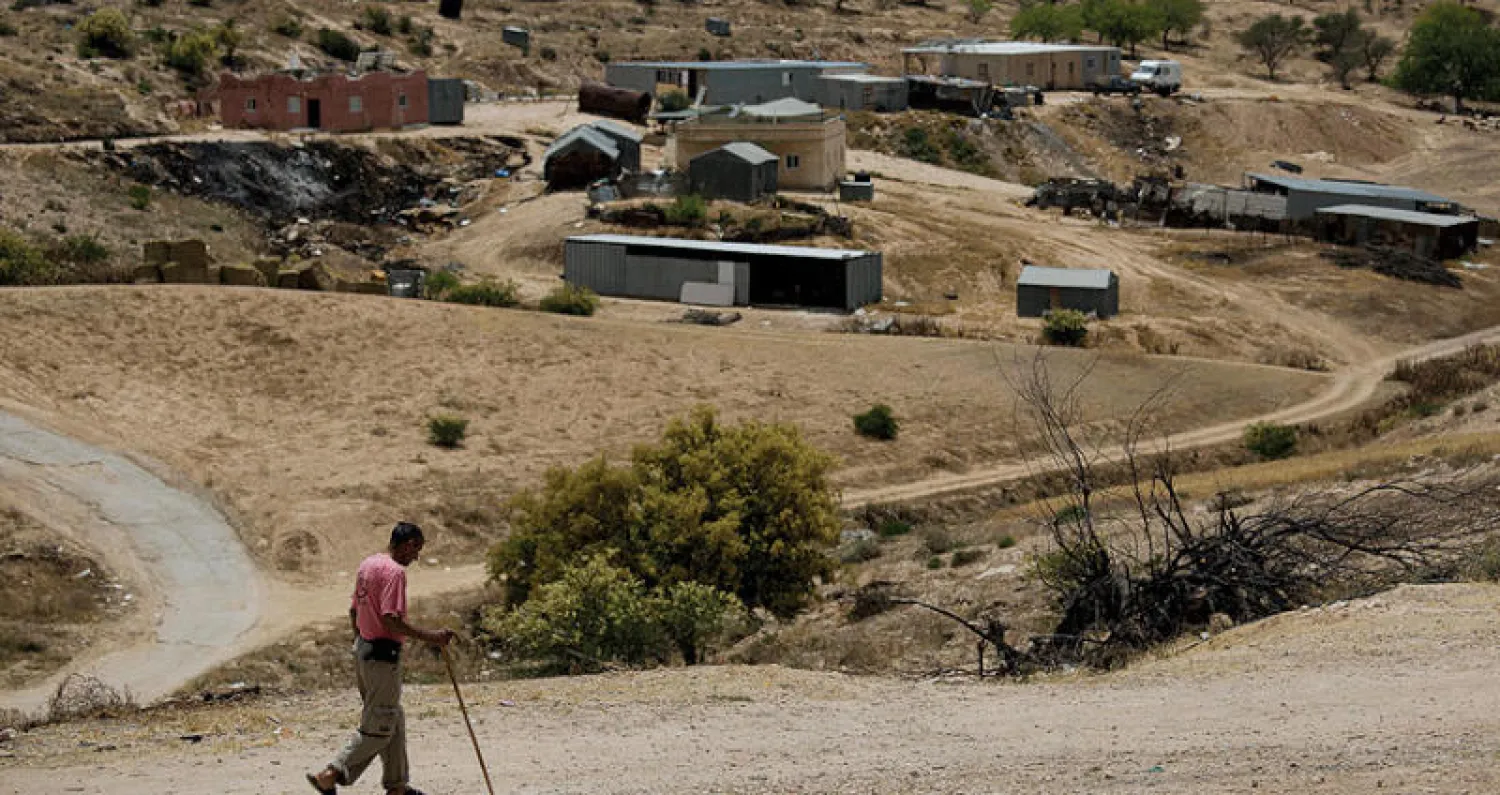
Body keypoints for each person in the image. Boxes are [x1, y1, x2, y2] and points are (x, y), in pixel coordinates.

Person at [307, 522, 454, 795]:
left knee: (392, 716)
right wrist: (433, 636)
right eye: (416, 548)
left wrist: (361, 642)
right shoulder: (395, 572)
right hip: (383, 656)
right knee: (380, 722)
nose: (416, 556)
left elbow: (353, 611)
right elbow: (391, 619)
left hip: (364, 651)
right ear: (407, 543)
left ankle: (396, 786)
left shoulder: (368, 564)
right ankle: (330, 773)